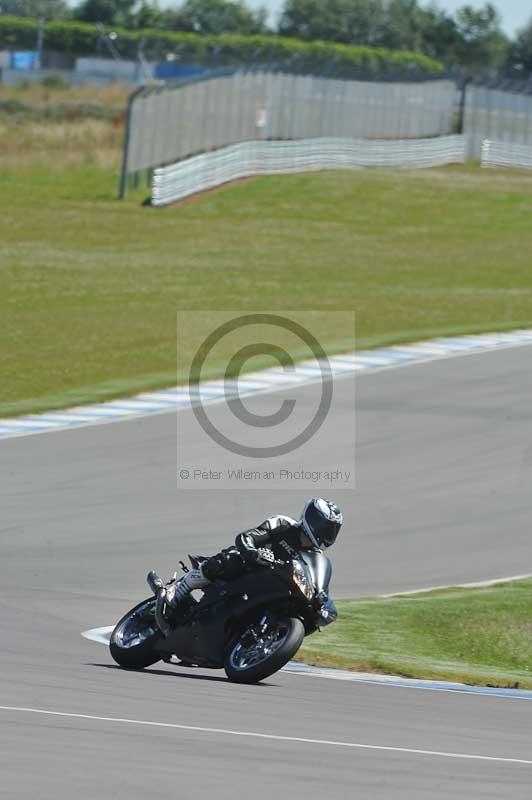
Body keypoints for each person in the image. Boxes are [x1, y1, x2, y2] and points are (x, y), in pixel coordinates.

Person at [166, 497, 343, 608]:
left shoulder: (314, 558)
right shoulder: (284, 524)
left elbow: (316, 582)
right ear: (313, 520)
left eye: (332, 531)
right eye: (326, 528)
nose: (327, 535)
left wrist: (320, 597)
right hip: (248, 568)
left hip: (271, 587)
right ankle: (181, 588)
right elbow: (247, 537)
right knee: (232, 558)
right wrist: (253, 552)